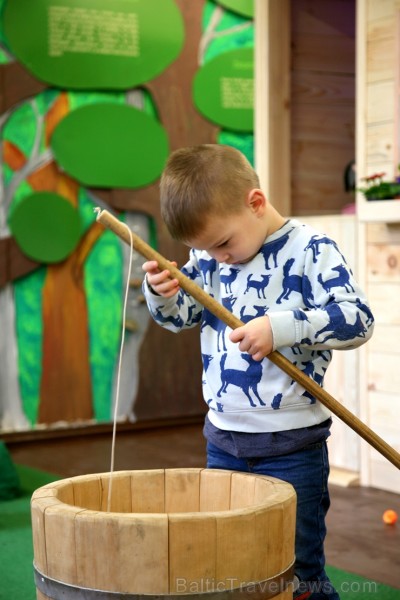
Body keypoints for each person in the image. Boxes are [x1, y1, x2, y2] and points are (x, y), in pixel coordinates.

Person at [142, 144, 374, 600]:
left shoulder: (311, 249)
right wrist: (163, 293)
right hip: (223, 440)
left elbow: (358, 319)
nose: (218, 259)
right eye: (204, 250)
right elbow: (179, 318)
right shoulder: (210, 259)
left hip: (292, 446)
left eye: (224, 243)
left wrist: (281, 327)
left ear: (255, 202)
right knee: (234, 564)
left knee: (297, 569)